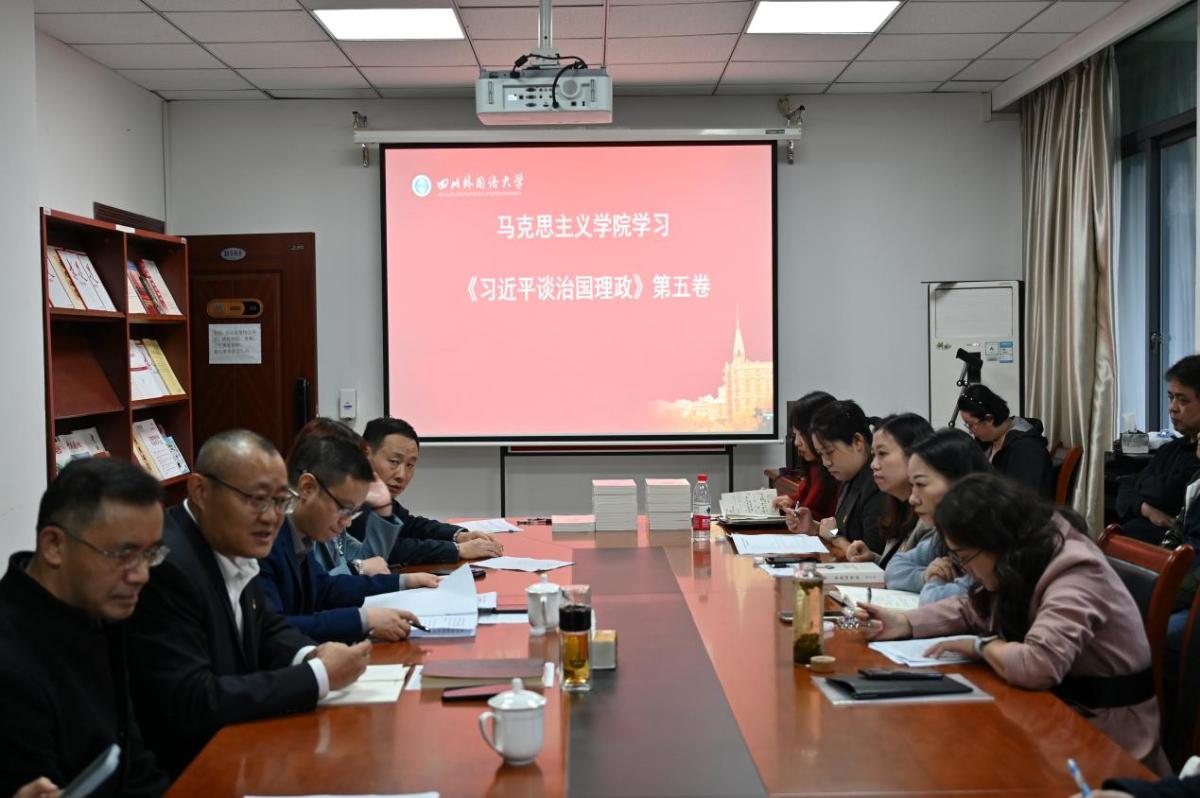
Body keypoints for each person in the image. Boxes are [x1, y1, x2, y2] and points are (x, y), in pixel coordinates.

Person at [859, 472, 1160, 762]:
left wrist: (981, 646)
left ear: (994, 540)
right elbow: (973, 608)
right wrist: (906, 622)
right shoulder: (1022, 554)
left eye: (965, 558)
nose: (966, 570)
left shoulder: (1075, 569)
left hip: (1107, 738)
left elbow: (1038, 664)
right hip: (1053, 712)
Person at [128, 429, 372, 777]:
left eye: (280, 501)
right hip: (189, 770)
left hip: (238, 748)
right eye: (257, 499)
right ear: (200, 491)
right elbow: (194, 698)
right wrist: (317, 675)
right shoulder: (167, 566)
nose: (272, 517)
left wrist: (311, 654)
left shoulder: (233, 539)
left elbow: (266, 625)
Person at [0, 458, 169, 798]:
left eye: (150, 554)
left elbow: (134, 768)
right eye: (124, 554)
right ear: (54, 546)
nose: (142, 575)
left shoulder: (96, 610)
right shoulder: (11, 666)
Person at [258, 434, 436, 644]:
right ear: (307, 487)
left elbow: (326, 589)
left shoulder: (301, 537)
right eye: (343, 509)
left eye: (354, 512)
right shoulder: (265, 543)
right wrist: (363, 620)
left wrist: (404, 581)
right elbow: (272, 629)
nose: (348, 522)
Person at [357, 417, 503, 565]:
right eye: (394, 461)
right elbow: (389, 550)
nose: (402, 475)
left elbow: (409, 525)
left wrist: (460, 536)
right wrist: (457, 549)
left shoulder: (377, 494)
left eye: (410, 465)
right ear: (366, 454)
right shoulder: (352, 496)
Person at [885, 429, 993, 604]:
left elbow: (936, 599)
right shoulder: (944, 531)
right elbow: (893, 570)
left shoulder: (989, 532)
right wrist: (926, 575)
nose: (912, 499)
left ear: (959, 481)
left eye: (921, 484)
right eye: (912, 486)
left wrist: (936, 580)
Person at [292, 418, 397, 577]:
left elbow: (370, 562)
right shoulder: (288, 524)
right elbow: (310, 588)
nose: (348, 522)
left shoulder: (332, 508)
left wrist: (383, 506)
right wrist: (356, 569)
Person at [1117, 355, 1200, 544]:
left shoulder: (1196, 456)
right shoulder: (1170, 449)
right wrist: (1147, 510)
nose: (1172, 408)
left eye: (1182, 400)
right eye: (1171, 398)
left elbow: (1165, 492)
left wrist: (1144, 489)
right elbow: (1126, 489)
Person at [787, 400, 884, 558]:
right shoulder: (849, 475)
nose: (826, 462)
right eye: (821, 454)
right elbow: (839, 533)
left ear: (857, 442)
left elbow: (868, 556)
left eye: (829, 452)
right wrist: (813, 527)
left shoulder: (878, 484)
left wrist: (836, 538)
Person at [845, 413, 934, 567]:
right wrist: (873, 559)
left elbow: (916, 576)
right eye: (873, 455)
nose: (873, 465)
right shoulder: (898, 507)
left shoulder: (929, 519)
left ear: (914, 455)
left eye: (882, 454)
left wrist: (834, 537)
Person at [956, 383, 1054, 497]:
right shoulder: (986, 441)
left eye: (970, 425)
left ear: (989, 419)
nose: (970, 431)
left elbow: (1025, 499)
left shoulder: (1027, 449)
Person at [772, 391, 838, 520]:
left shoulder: (837, 470)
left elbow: (831, 523)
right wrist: (791, 501)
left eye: (801, 434)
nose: (796, 442)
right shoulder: (813, 465)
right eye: (795, 434)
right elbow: (805, 501)